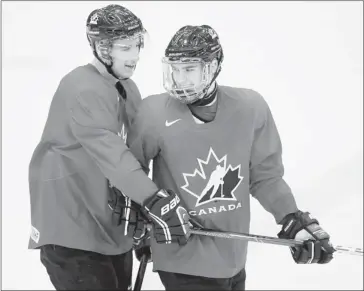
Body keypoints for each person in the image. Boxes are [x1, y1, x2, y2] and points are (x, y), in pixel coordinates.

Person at [129, 25, 336, 290]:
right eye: (175, 70)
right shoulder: (153, 113)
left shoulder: (249, 108)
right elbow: (130, 171)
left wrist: (293, 220)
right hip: (181, 257)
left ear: (213, 66)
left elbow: (265, 177)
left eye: (189, 69)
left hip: (233, 258)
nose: (180, 80)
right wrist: (145, 213)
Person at [28, 4, 190, 290]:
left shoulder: (129, 89)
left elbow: (135, 156)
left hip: (108, 232)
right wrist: (154, 200)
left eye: (137, 45)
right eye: (126, 48)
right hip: (72, 233)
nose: (135, 56)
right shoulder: (81, 88)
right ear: (103, 49)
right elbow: (112, 156)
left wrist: (141, 216)